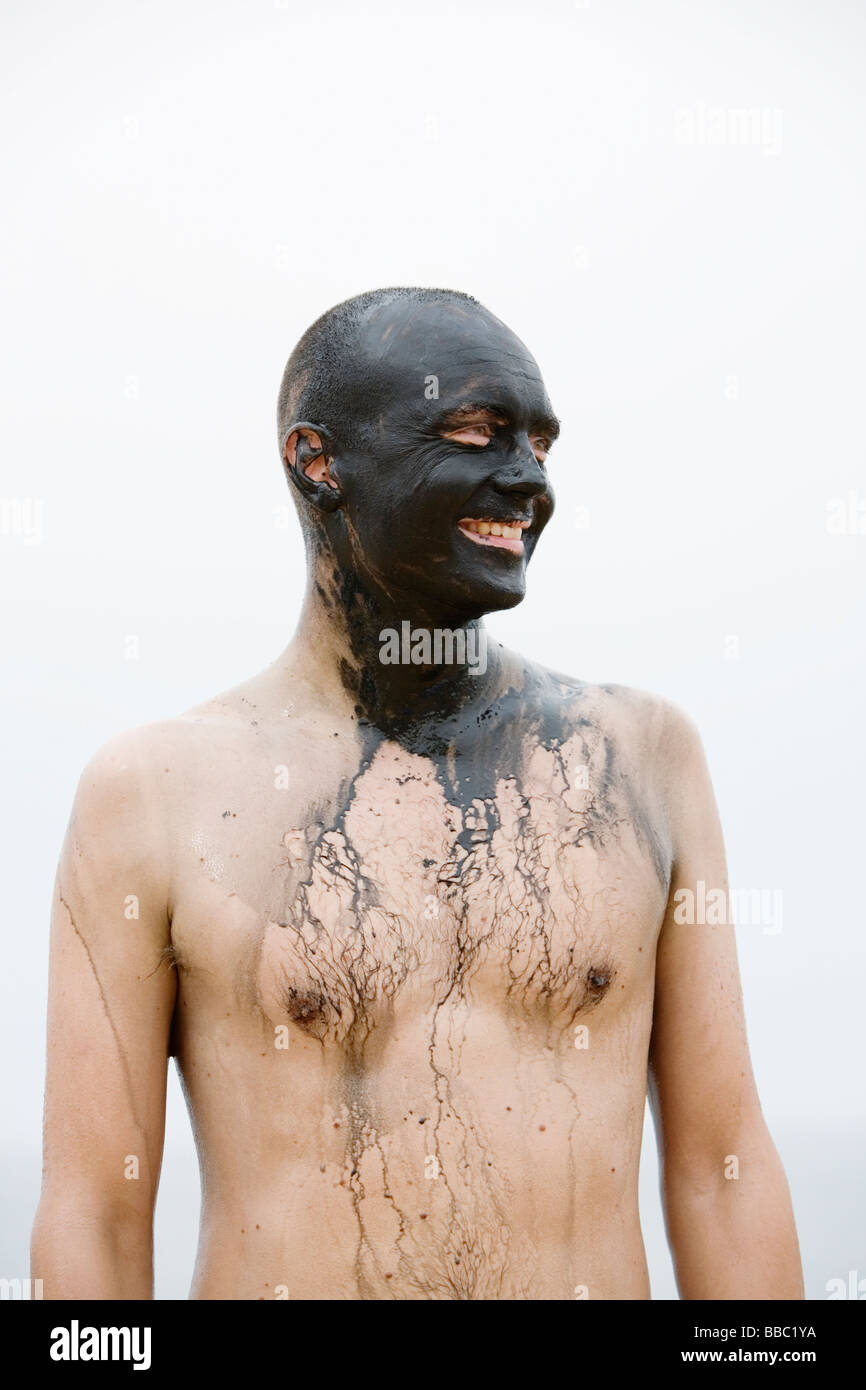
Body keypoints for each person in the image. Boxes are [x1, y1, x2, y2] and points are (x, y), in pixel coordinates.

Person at [31, 287, 803, 1299]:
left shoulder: (635, 757)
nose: (525, 478)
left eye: (540, 443)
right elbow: (94, 1209)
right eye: (478, 431)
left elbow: (719, 1167)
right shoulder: (153, 790)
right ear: (317, 462)